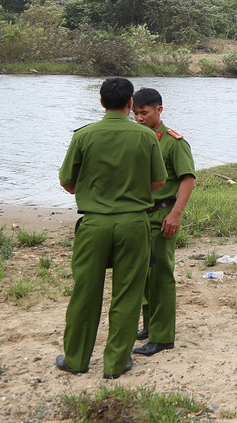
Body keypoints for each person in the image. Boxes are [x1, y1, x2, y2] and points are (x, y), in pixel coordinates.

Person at [57, 77, 166, 380]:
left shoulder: (84, 136)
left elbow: (66, 182)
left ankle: (76, 359)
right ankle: (116, 363)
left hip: (93, 223)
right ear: (131, 103)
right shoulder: (145, 137)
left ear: (102, 103)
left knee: (85, 292)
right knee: (128, 293)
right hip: (134, 223)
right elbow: (158, 182)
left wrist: (96, 189)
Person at [131, 87, 196, 358]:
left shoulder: (173, 142)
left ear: (159, 110)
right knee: (144, 275)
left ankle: (162, 336)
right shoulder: (136, 139)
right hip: (140, 216)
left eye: (144, 113)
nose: (139, 118)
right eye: (135, 113)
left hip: (162, 215)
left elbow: (188, 179)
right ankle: (149, 325)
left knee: (161, 277)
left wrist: (175, 214)